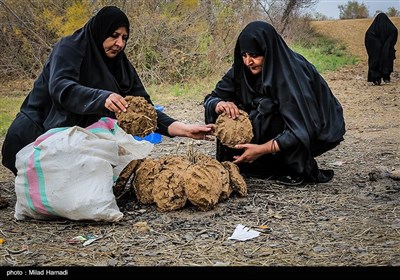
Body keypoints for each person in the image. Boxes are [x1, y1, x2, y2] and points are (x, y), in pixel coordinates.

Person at [1, 6, 214, 177]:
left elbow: (142, 110)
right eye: (114, 35)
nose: (119, 43)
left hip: (72, 143)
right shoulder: (70, 47)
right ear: (100, 31)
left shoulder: (119, 65)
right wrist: (103, 97)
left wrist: (182, 129)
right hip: (34, 134)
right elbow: (61, 87)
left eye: (124, 38)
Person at [204, 21, 346, 185]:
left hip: (309, 127)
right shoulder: (242, 70)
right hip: (275, 128)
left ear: (268, 51)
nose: (248, 62)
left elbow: (303, 126)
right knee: (233, 114)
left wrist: (261, 149)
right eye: (244, 55)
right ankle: (253, 165)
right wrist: (219, 104)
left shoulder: (290, 73)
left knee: (268, 110)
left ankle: (290, 166)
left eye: (255, 56)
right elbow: (211, 97)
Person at [365, 13, 398, 85]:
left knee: (383, 53)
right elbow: (394, 33)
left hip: (384, 49)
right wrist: (381, 45)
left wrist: (386, 45)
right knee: (380, 53)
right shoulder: (391, 28)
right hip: (378, 50)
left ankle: (379, 77)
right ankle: (382, 77)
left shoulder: (372, 30)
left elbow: (368, 38)